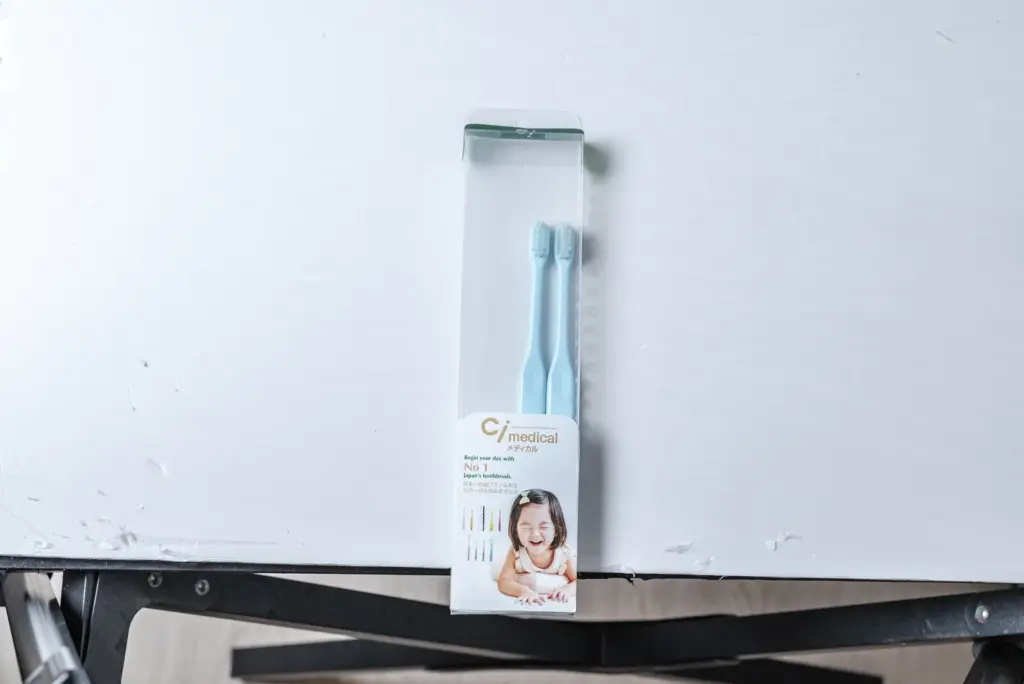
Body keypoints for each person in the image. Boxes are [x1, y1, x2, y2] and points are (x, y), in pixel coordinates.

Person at [496, 489, 577, 605]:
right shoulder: (516, 552)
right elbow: (504, 582)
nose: (535, 534)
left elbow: (577, 581)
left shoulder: (563, 553)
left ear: (556, 529)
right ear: (515, 530)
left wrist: (568, 589)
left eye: (544, 527)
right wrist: (524, 591)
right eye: (526, 527)